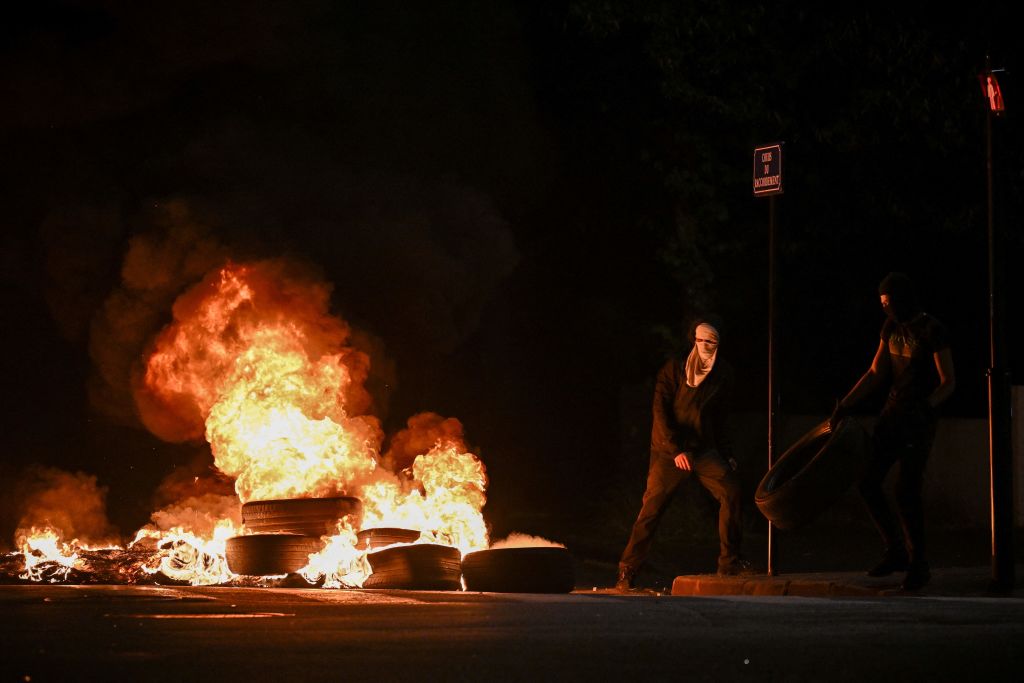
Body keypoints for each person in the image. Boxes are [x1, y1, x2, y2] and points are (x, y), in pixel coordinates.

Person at [831, 272, 955, 591]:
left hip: (918, 421)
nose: (886, 307)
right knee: (868, 481)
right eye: (882, 303)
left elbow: (949, 382)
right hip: (891, 415)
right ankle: (896, 551)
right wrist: (846, 404)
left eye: (890, 302)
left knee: (906, 490)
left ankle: (919, 564)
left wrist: (926, 407)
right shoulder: (890, 327)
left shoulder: (932, 330)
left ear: (903, 298)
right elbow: (876, 372)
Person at [616, 315, 751, 591]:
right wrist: (676, 449)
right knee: (651, 509)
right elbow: (660, 412)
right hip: (669, 451)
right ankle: (627, 571)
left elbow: (720, 418)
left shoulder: (723, 373)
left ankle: (730, 563)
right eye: (701, 340)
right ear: (693, 340)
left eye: (711, 341)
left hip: (702, 449)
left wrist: (727, 453)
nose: (706, 346)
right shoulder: (674, 369)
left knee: (732, 491)